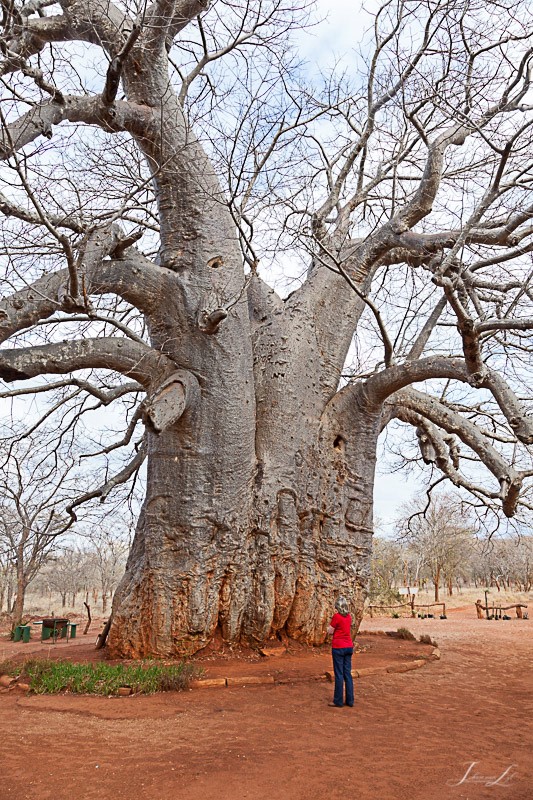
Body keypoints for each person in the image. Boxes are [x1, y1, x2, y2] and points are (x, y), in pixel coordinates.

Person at [327, 595, 354, 708]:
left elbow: (330, 631)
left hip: (338, 647)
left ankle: (338, 701)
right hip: (349, 646)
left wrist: (327, 628)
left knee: (339, 674)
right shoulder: (349, 617)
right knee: (347, 674)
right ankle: (350, 700)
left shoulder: (336, 617)